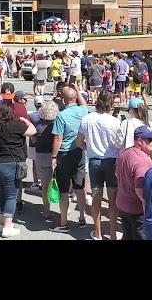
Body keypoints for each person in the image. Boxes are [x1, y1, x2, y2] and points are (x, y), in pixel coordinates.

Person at [76, 90, 124, 240]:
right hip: (111, 160)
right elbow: (120, 144)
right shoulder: (115, 122)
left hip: (94, 160)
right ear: (111, 104)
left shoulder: (87, 119)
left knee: (96, 195)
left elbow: (79, 141)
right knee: (112, 199)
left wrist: (88, 148)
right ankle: (113, 233)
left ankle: (97, 233)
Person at [0, 101, 36, 238]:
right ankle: (8, 226)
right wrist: (26, 121)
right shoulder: (16, 125)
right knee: (11, 196)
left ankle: (1, 224)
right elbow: (33, 131)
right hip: (11, 162)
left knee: (1, 194)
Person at [49, 85, 89, 233]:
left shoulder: (62, 115)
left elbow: (58, 138)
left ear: (64, 100)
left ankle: (64, 222)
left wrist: (54, 156)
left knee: (63, 190)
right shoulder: (83, 111)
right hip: (79, 151)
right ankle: (82, 217)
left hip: (65, 154)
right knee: (79, 187)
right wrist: (77, 91)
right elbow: (84, 103)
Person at [116, 126, 152, 240]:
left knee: (127, 236)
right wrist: (150, 213)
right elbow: (141, 190)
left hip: (123, 205)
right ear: (139, 141)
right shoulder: (142, 161)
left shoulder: (124, 153)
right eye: (149, 140)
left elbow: (116, 174)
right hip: (137, 210)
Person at [29, 100, 60, 219]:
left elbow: (33, 138)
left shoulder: (38, 124)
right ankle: (63, 208)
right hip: (55, 155)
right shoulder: (57, 123)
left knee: (45, 185)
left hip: (41, 155)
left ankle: (46, 210)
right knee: (59, 183)